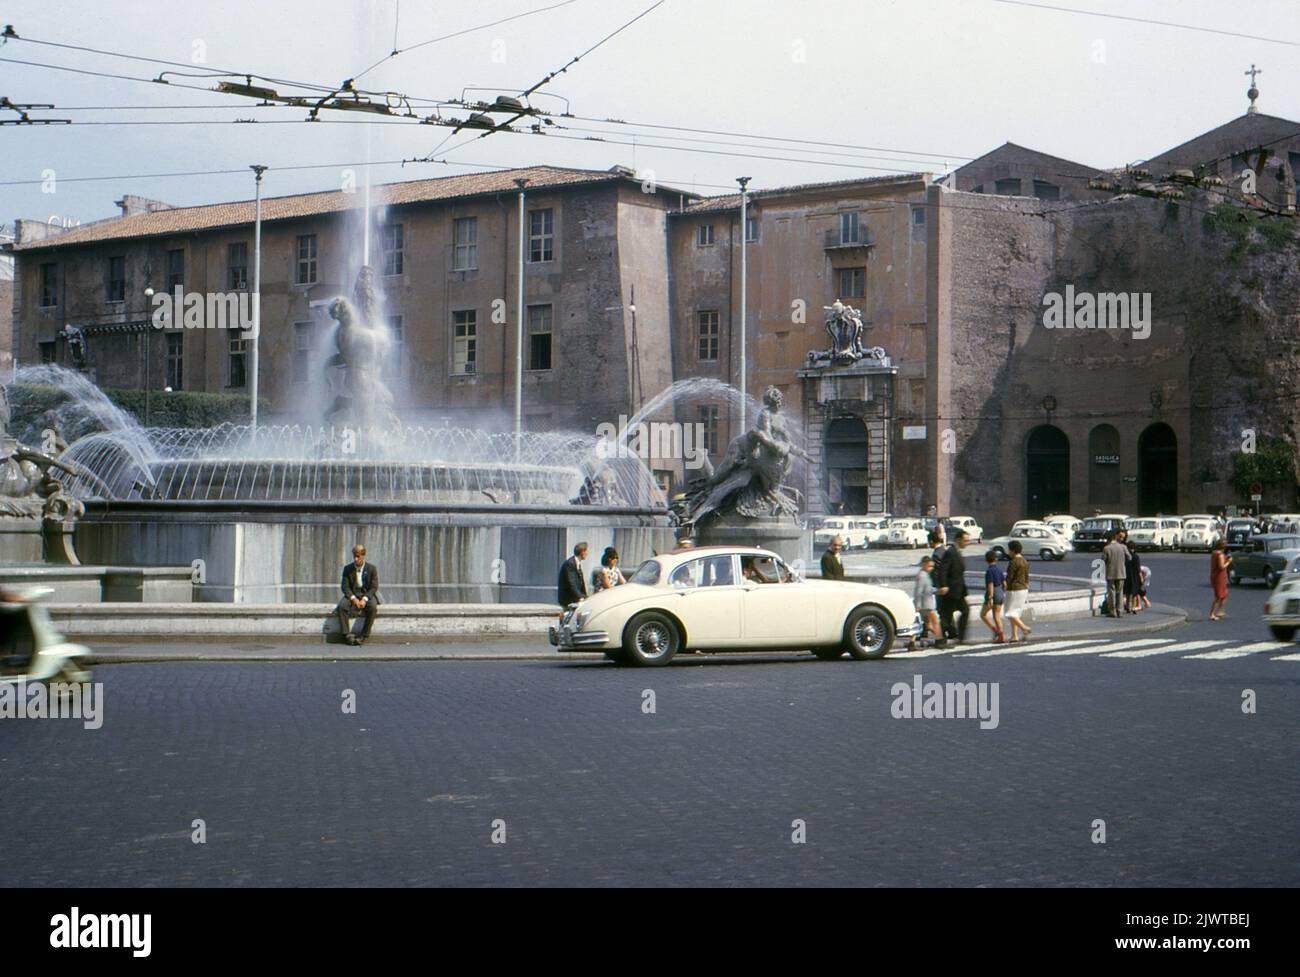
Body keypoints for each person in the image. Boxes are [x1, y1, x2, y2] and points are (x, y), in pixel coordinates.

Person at [336, 543, 380, 645]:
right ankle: (346, 634)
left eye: (358, 556)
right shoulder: (348, 569)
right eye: (354, 556)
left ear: (363, 556)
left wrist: (364, 599)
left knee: (373, 608)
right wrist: (353, 598)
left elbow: (374, 587)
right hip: (352, 594)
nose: (355, 559)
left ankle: (364, 635)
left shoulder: (371, 569)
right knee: (342, 606)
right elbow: (345, 587)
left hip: (366, 594)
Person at [935, 528, 970, 647]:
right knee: (946, 616)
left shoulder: (957, 551)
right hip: (951, 590)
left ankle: (957, 636)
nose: (967, 543)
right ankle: (942, 638)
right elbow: (943, 570)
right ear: (958, 540)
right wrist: (944, 585)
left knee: (954, 614)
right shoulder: (951, 552)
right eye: (965, 540)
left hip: (958, 590)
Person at [1003, 540, 1032, 641]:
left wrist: (1004, 586)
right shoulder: (1024, 561)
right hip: (1023, 588)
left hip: (1014, 589)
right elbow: (1026, 576)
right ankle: (1014, 635)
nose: (1008, 552)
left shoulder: (1013, 562)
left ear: (1013, 550)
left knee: (1009, 612)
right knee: (1015, 612)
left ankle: (1024, 628)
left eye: (1009, 550)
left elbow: (1009, 577)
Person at [910, 554, 940, 650]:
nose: (931, 568)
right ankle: (940, 640)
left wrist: (937, 590)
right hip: (926, 604)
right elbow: (919, 591)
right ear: (924, 564)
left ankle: (912, 643)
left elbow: (926, 589)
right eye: (929, 566)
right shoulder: (923, 576)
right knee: (935, 621)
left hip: (924, 604)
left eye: (932, 566)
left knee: (925, 624)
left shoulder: (923, 574)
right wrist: (917, 605)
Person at [981, 550, 1006, 642]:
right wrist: (1002, 592)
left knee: (983, 614)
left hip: (993, 592)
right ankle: (1001, 635)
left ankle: (995, 630)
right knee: (997, 616)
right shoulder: (999, 570)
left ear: (986, 560)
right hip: (1000, 591)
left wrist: (990, 597)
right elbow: (1005, 583)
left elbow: (990, 584)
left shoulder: (989, 571)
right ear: (996, 559)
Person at [1102, 531, 1127, 619]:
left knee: (1111, 592)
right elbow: (1129, 557)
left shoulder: (1106, 548)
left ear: (1108, 540)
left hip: (1110, 574)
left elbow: (1103, 560)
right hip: (1121, 573)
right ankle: (1120, 611)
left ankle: (1113, 611)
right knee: (1120, 592)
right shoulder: (1123, 547)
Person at [557, 542, 589, 607]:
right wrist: (580, 597)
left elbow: (580, 582)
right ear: (582, 552)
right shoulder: (570, 564)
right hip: (569, 600)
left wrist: (585, 596)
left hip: (574, 598)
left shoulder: (577, 563)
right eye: (586, 551)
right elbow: (571, 583)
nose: (587, 554)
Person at [1209, 538, 1232, 621]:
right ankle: (1211, 613)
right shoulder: (1220, 555)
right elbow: (1221, 566)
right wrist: (1228, 562)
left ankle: (1220, 611)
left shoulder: (1214, 553)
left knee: (1224, 594)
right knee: (1218, 596)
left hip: (1216, 575)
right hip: (1219, 577)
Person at [1125, 539, 1143, 614]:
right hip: (1134, 575)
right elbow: (1138, 568)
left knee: (1128, 592)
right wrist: (1141, 577)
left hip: (1126, 575)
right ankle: (1133, 607)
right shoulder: (1136, 556)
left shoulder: (1125, 555)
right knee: (1134, 592)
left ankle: (1128, 606)